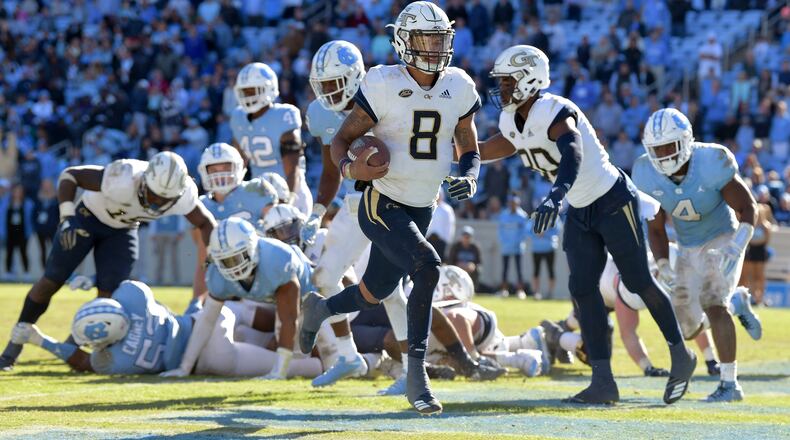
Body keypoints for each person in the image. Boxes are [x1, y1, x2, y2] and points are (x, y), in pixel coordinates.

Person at [479, 45, 696, 405]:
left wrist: (555, 194)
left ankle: (681, 355)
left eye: (507, 81)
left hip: (612, 199)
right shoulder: (510, 120)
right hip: (580, 208)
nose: (501, 88)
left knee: (639, 280)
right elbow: (491, 148)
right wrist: (451, 146)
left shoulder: (554, 109)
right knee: (581, 288)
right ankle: (603, 381)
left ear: (529, 79)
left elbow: (573, 152)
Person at [299, 1, 482, 415]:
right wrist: (349, 168)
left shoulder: (459, 84)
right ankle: (417, 377)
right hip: (382, 201)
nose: (432, 47)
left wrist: (470, 175)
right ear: (402, 41)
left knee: (374, 291)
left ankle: (321, 309)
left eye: (438, 38)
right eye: (423, 39)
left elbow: (468, 145)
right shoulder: (382, 83)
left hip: (423, 205)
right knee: (428, 266)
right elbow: (340, 140)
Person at [0, 151, 216, 371]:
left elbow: (207, 223)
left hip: (123, 229)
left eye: (164, 199)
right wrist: (66, 219)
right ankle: (13, 346)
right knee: (51, 281)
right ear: (143, 181)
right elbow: (70, 175)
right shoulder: (125, 175)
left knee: (110, 296)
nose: (157, 203)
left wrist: (210, 260)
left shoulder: (184, 194)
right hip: (87, 218)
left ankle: (72, 347)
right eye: (153, 195)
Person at [633, 107, 763, 401]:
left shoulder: (711, 161)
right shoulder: (644, 172)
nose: (664, 155)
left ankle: (730, 384)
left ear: (685, 142)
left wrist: (737, 243)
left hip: (722, 237)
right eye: (657, 148)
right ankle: (738, 301)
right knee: (688, 328)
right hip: (688, 246)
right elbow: (655, 227)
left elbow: (748, 207)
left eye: (669, 146)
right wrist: (664, 263)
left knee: (713, 303)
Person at [11, 280, 322, 377]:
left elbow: (81, 361)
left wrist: (41, 341)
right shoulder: (134, 297)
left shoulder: (115, 361)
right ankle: (299, 326)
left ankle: (332, 362)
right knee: (238, 311)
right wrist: (92, 282)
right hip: (206, 324)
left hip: (212, 359)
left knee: (295, 367)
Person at [160, 217, 315, 379]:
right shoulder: (218, 275)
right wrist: (185, 367)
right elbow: (206, 320)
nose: (233, 267)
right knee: (256, 333)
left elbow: (289, 319)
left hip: (315, 297)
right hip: (274, 301)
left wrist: (279, 372)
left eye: (236, 258)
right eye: (226, 261)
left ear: (252, 250)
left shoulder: (276, 260)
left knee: (322, 348)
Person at [191, 143, 279, 298]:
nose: (220, 174)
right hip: (226, 279)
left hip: (264, 272)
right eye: (214, 169)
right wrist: (197, 302)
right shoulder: (202, 205)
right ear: (204, 172)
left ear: (238, 167)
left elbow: (280, 237)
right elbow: (204, 262)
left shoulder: (257, 190)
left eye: (225, 167)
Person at [230, 62, 312, 216]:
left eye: (252, 90)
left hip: (291, 191)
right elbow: (238, 163)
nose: (248, 96)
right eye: (244, 91)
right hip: (259, 194)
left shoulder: (283, 115)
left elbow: (292, 168)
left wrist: (288, 201)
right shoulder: (238, 117)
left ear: (268, 89)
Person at [740, 194, 774, 305]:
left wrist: (752, 241)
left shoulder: (766, 226)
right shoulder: (751, 225)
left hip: (760, 252)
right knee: (746, 276)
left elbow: (765, 240)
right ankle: (746, 298)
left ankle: (759, 298)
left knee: (759, 276)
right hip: (750, 251)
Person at [497, 195, 528, 298]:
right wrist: (505, 241)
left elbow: (524, 232)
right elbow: (501, 230)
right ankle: (504, 290)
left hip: (517, 247)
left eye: (514, 203)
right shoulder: (504, 215)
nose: (512, 205)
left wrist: (517, 241)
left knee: (519, 269)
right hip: (506, 247)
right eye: (511, 203)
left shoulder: (522, 215)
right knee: (505, 269)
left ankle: (520, 290)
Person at [527, 216, 561, 300]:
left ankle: (550, 293)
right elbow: (527, 230)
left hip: (549, 247)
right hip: (536, 248)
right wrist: (536, 233)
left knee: (551, 270)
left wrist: (544, 233)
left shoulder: (555, 217)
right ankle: (536, 293)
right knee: (536, 271)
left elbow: (557, 230)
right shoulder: (535, 216)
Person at [4, 183, 34, 278]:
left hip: (22, 232)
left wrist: (30, 232)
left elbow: (30, 219)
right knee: (9, 252)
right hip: (10, 231)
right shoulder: (6, 202)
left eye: (19, 191)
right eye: (16, 191)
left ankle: (26, 272)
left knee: (23, 252)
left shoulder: (28, 203)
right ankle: (9, 272)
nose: (17, 193)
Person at [33, 179, 58, 271]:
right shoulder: (38, 198)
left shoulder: (56, 198)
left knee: (54, 250)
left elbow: (58, 213)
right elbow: (34, 214)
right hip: (41, 229)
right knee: (43, 250)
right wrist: (36, 227)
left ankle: (54, 269)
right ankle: (44, 270)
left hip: (52, 229)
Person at [449, 226, 483, 292]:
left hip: (470, 269)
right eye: (465, 236)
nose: (466, 238)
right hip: (457, 269)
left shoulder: (475, 248)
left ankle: (473, 290)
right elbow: (450, 261)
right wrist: (458, 265)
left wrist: (473, 265)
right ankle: (453, 290)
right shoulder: (456, 247)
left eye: (468, 237)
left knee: (478, 270)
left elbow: (479, 262)